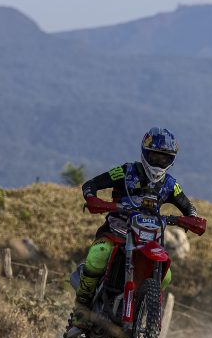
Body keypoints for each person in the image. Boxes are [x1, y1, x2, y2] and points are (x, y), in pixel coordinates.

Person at [72, 127, 198, 324]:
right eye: (155, 156)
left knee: (166, 275)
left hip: (148, 239)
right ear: (145, 153)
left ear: (172, 160)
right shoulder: (126, 171)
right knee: (99, 254)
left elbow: (188, 206)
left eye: (165, 158)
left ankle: (145, 316)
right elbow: (91, 183)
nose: (159, 162)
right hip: (116, 231)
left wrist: (192, 218)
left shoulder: (170, 184)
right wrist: (92, 198)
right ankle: (82, 304)